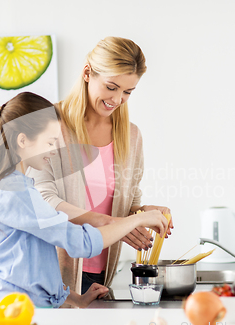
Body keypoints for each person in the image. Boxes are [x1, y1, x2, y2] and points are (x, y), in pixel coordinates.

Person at [0, 92, 167, 308]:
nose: (55, 150)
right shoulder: (15, 194)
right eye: (51, 142)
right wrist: (137, 220)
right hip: (15, 312)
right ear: (23, 140)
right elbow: (81, 242)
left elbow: (31, 266)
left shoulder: (18, 187)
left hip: (25, 308)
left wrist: (75, 298)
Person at [28, 37, 174, 297]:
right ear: (87, 73)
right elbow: (42, 200)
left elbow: (128, 200)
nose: (118, 99)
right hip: (49, 270)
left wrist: (142, 212)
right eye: (111, 87)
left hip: (101, 274)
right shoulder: (48, 124)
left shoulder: (130, 136)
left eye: (128, 92)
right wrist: (119, 222)